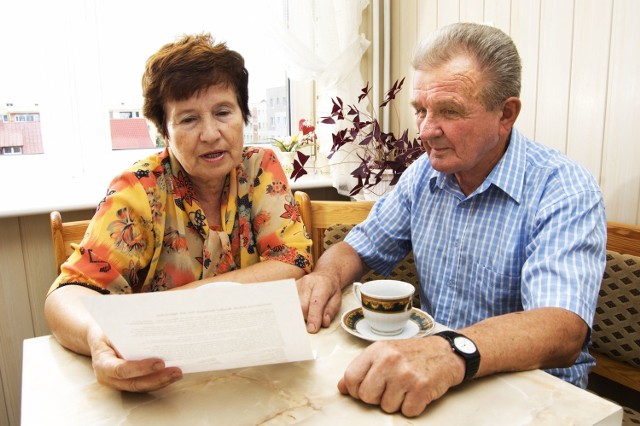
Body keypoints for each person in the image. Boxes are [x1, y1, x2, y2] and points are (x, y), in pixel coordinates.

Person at [296, 22, 606, 417]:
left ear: (505, 114)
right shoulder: (424, 175)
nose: (426, 131)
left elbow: (562, 329)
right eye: (421, 110)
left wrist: (448, 350)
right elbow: (358, 246)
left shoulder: (563, 187)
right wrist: (326, 276)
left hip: (537, 400)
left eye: (449, 111)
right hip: (440, 379)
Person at [45, 33, 312, 392]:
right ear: (164, 134)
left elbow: (292, 260)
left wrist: (179, 303)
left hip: (254, 373)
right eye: (188, 119)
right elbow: (67, 295)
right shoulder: (140, 188)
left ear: (243, 116)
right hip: (165, 384)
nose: (211, 133)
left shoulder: (259, 167)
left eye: (223, 112)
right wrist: (98, 335)